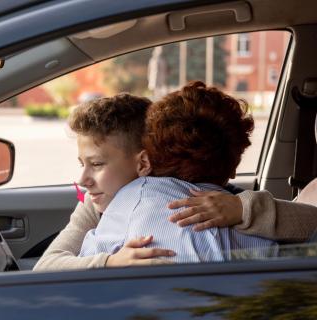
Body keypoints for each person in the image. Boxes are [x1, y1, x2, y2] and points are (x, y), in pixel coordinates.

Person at [33, 86, 317, 271]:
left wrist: (243, 209)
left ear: (146, 161)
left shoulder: (218, 201)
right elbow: (48, 265)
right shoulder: (93, 206)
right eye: (82, 164)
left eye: (96, 164)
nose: (83, 179)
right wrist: (108, 262)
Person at [77, 81, 276, 263]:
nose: (83, 179)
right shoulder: (259, 227)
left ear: (151, 156)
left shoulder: (131, 200)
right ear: (233, 168)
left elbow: (76, 275)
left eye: (96, 164)